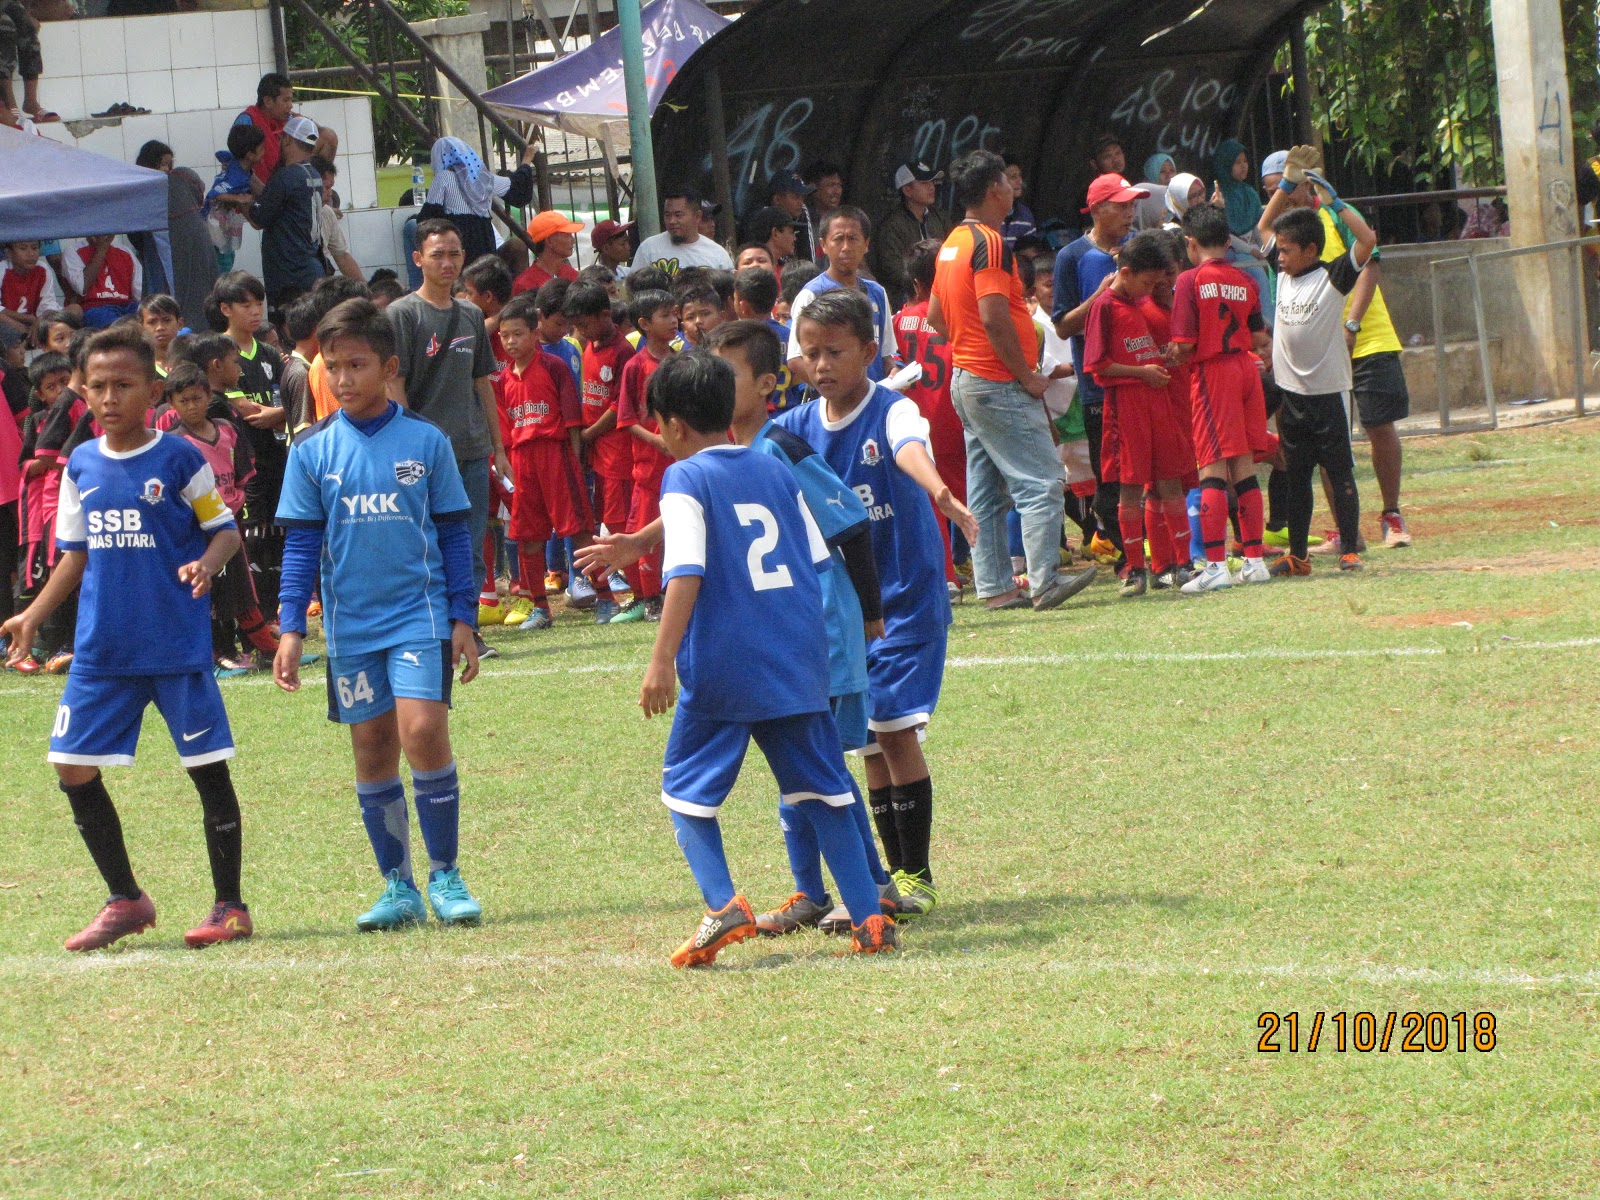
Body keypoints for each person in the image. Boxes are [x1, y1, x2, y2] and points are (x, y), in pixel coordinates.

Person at [622, 351, 895, 964]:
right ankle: (871, 921)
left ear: (671, 424)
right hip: (795, 657)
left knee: (684, 794)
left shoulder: (685, 478)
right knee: (823, 791)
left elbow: (687, 569)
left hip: (724, 662)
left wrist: (661, 658)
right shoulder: (773, 468)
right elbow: (816, 562)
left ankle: (722, 907)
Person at [1, 323, 253, 951]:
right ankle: (126, 898)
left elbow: (224, 530)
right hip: (103, 649)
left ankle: (229, 906)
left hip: (173, 644)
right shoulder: (81, 464)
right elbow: (74, 555)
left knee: (207, 771)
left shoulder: (178, 458)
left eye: (124, 384)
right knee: (71, 766)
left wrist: (209, 562)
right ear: (83, 393)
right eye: (99, 387)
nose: (110, 397)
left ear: (154, 388)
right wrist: (34, 615)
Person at [273, 298, 482, 931]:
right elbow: (303, 544)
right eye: (332, 366)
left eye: (356, 365)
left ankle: (445, 873)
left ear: (389, 366)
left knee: (422, 731)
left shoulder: (426, 441)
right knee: (371, 749)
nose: (342, 380)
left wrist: (463, 615)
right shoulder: (311, 451)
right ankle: (398, 886)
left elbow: (454, 532)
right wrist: (288, 627)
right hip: (351, 628)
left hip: (418, 614)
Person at [778, 288, 978, 918]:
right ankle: (889, 879)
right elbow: (736, 479)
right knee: (867, 740)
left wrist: (940, 492)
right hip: (844, 612)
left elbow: (908, 449)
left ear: (869, 350)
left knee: (893, 727)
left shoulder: (890, 409)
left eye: (835, 351)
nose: (822, 364)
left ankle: (915, 873)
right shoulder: (796, 429)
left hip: (906, 601)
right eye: (811, 353)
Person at [933, 150, 1097, 612]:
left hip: (967, 379)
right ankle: (1044, 582)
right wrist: (1024, 374)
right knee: (1042, 480)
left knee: (985, 492)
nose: (1013, 188)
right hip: (998, 380)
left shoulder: (951, 243)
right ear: (993, 191)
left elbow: (935, 316)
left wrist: (968, 348)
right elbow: (993, 315)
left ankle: (996, 588)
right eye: (1007, 181)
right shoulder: (991, 243)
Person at [384, 219, 511, 658]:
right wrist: (404, 446)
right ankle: (429, 628)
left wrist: (498, 448)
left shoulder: (472, 314)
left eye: (454, 253)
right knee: (423, 544)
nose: (447, 262)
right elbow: (394, 383)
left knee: (471, 545)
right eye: (437, 253)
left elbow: (483, 384)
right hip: (421, 455)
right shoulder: (402, 314)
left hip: (472, 450)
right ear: (418, 259)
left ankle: (467, 629)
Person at [1253, 153, 1376, 574]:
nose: (1280, 256)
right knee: (1297, 474)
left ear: (1310, 249)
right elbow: (1264, 227)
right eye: (1279, 251)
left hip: (1328, 394)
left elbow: (1367, 242)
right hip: (1292, 395)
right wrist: (1287, 186)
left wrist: (1334, 201)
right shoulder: (1285, 273)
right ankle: (1298, 557)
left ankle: (1349, 550)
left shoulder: (1332, 276)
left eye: (1288, 251)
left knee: (1339, 473)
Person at [1165, 203, 1277, 592]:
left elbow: (1183, 343)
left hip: (1214, 374)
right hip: (1247, 370)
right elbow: (1259, 335)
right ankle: (1255, 560)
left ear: (1190, 243)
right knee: (1244, 466)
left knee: (1211, 467)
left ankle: (1214, 566)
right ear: (1228, 241)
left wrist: (1172, 354)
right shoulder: (1246, 280)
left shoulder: (1190, 281)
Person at [492, 292, 612, 629]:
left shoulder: (554, 366)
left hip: (556, 456)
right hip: (522, 460)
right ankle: (541, 609)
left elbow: (573, 422)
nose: (511, 341)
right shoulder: (503, 379)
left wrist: (573, 461)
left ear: (534, 333)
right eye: (505, 336)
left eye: (518, 334)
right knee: (527, 535)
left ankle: (606, 597)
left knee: (579, 530)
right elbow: (506, 426)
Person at [1082, 233, 1191, 597]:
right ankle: (1135, 571)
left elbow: (1142, 351)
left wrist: (1161, 360)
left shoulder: (1136, 302)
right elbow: (1097, 366)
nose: (1150, 290)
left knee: (1170, 478)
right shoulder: (1106, 306)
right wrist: (1142, 373)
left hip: (1156, 401)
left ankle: (1183, 564)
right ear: (1126, 272)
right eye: (1146, 283)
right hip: (1126, 407)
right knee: (1130, 487)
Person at [1314, 175, 1413, 551]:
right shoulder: (1285, 232)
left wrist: (1352, 323)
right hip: (1321, 347)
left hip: (1368, 338)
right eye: (1274, 188)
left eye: (1286, 185)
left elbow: (1370, 261)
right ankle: (1346, 532)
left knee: (1379, 424)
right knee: (1327, 440)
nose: (1280, 194)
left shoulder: (1336, 214)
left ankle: (1392, 515)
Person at [1053, 171, 1145, 563]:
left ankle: (1140, 549)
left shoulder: (1139, 248)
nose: (1130, 212)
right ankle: (1120, 547)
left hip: (1142, 377)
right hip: (1098, 386)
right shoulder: (1071, 256)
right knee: (1109, 474)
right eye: (1121, 205)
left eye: (1132, 204)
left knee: (1144, 468)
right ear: (1096, 209)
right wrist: (1100, 298)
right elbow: (1062, 324)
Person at [893, 239, 966, 591]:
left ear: (917, 284)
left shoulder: (900, 321)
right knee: (977, 496)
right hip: (958, 415)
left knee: (933, 501)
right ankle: (995, 572)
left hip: (919, 423)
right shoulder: (959, 314)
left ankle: (948, 576)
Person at [567, 281, 633, 624]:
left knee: (619, 521)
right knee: (591, 520)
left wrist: (588, 435)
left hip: (615, 451)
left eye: (585, 324)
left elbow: (618, 404)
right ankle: (606, 593)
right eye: (576, 326)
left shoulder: (623, 352)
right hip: (593, 450)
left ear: (605, 316)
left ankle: (641, 592)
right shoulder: (588, 347)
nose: (580, 332)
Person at [611, 288, 678, 623]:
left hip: (680, 465)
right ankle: (649, 598)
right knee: (644, 531)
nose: (674, 320)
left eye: (674, 313)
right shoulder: (635, 366)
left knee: (680, 529)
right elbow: (626, 420)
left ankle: (673, 592)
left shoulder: (682, 363)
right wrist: (658, 441)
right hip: (649, 469)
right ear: (644, 324)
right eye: (665, 315)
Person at [786, 207, 897, 388]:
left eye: (853, 238)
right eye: (838, 239)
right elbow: (795, 359)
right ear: (823, 245)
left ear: (866, 244)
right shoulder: (811, 295)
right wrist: (835, 389)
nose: (846, 247)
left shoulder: (877, 292)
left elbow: (886, 355)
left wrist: (894, 372)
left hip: (874, 400)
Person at [246, 115, 327, 309]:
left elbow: (258, 220)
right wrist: (250, 178)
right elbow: (274, 197)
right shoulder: (313, 173)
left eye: (281, 139)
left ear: (289, 139)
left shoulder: (286, 176)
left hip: (289, 272)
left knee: (291, 331)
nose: (279, 143)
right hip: (312, 266)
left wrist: (238, 200)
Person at [418, 137, 536, 267]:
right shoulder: (483, 179)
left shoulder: (444, 177)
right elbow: (517, 190)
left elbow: (427, 217)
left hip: (459, 242)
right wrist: (526, 161)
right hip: (485, 241)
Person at [871, 161, 954, 310]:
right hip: (906, 298)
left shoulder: (940, 218)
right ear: (907, 190)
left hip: (941, 293)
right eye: (923, 182)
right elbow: (891, 268)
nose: (931, 187)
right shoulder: (892, 225)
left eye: (932, 182)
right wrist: (919, 284)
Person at [235, 73, 336, 186]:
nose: (290, 105)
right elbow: (238, 161)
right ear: (268, 101)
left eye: (291, 100)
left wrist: (297, 117)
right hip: (260, 186)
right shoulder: (247, 120)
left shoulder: (290, 118)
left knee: (328, 137)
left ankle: (316, 187)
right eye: (285, 100)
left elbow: (318, 133)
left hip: (289, 176)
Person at [205, 124, 266, 274]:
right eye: (262, 148)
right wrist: (238, 198)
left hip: (224, 225)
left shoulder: (237, 164)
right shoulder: (236, 178)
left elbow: (221, 154)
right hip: (214, 228)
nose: (265, 152)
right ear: (249, 155)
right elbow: (213, 194)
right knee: (222, 265)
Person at [631, 189, 733, 276]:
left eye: (678, 215)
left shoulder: (717, 254)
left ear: (697, 216)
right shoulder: (649, 248)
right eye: (667, 215)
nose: (672, 221)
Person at [64, 235, 142, 329]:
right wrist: (101, 249)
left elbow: (139, 293)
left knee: (148, 316)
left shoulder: (125, 251)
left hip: (126, 306)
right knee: (116, 327)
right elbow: (82, 287)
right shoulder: (73, 250)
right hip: (96, 308)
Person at [1, 238, 64, 341]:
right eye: (23, 248)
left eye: (35, 248)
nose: (31, 254)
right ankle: (27, 336)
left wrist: (41, 319)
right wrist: (28, 319)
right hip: (10, 322)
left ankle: (34, 336)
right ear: (9, 253)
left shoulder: (42, 269)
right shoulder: (2, 269)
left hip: (35, 322)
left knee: (75, 309)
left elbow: (48, 304)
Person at [313, 158, 363, 282]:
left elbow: (342, 257)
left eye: (331, 188)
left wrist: (366, 289)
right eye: (327, 187)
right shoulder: (294, 215)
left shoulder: (327, 213)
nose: (330, 193)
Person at [513, 210, 584, 296]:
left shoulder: (572, 274)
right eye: (567, 235)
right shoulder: (524, 285)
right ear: (549, 240)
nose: (573, 240)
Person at [764, 169, 817, 261]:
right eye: (796, 197)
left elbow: (809, 259)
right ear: (777, 199)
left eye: (802, 197)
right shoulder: (761, 217)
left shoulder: (802, 212)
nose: (800, 203)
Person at [745, 207, 798, 273]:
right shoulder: (754, 273)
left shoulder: (786, 272)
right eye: (791, 232)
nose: (794, 238)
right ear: (775, 233)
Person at [1000, 156, 1037, 248]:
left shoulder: (1025, 215)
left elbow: (1031, 250)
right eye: (1013, 177)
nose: (1020, 181)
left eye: (1019, 176)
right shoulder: (987, 214)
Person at [1135, 153, 1176, 230]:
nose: (1169, 176)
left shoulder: (1179, 203)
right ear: (1151, 174)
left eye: (1172, 170)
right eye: (1162, 172)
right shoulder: (1143, 202)